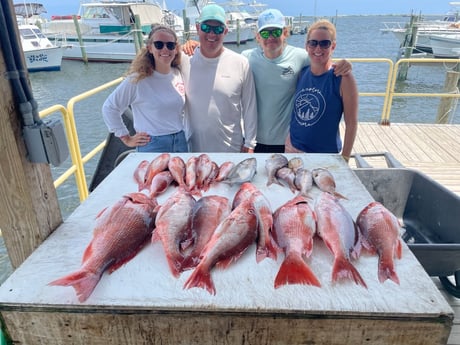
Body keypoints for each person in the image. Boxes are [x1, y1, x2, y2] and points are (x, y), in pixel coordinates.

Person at [240, 9, 352, 153]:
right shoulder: (246, 58)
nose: (271, 37)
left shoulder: (300, 57)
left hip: (288, 142)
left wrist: (345, 64)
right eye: (265, 33)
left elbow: (321, 58)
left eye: (276, 32)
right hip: (254, 141)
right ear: (257, 37)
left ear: (285, 33)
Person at [181, 4, 257, 153]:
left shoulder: (240, 62)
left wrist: (250, 143)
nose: (212, 34)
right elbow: (157, 57)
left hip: (231, 148)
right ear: (197, 28)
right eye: (206, 28)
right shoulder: (183, 59)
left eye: (218, 29)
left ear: (226, 31)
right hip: (193, 149)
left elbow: (250, 107)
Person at [102, 25, 187, 152]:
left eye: (170, 45)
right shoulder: (137, 80)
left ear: (176, 49)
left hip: (181, 140)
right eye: (159, 44)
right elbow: (110, 107)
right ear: (150, 48)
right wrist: (126, 138)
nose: (165, 49)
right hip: (153, 143)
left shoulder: (178, 73)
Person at [285, 19, 358, 162]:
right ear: (306, 46)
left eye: (325, 43)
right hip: (292, 148)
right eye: (313, 43)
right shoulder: (302, 73)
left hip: (324, 155)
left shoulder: (343, 78)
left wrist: (345, 157)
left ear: (333, 46)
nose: (318, 49)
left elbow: (352, 123)